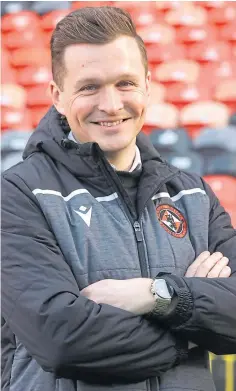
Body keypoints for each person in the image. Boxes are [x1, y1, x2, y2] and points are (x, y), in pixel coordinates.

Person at [1, 6, 236, 391]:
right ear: (57, 96)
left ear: (147, 84)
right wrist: (193, 324)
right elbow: (62, 341)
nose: (111, 105)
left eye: (125, 83)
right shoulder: (19, 194)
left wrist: (157, 295)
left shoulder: (191, 194)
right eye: (89, 87)